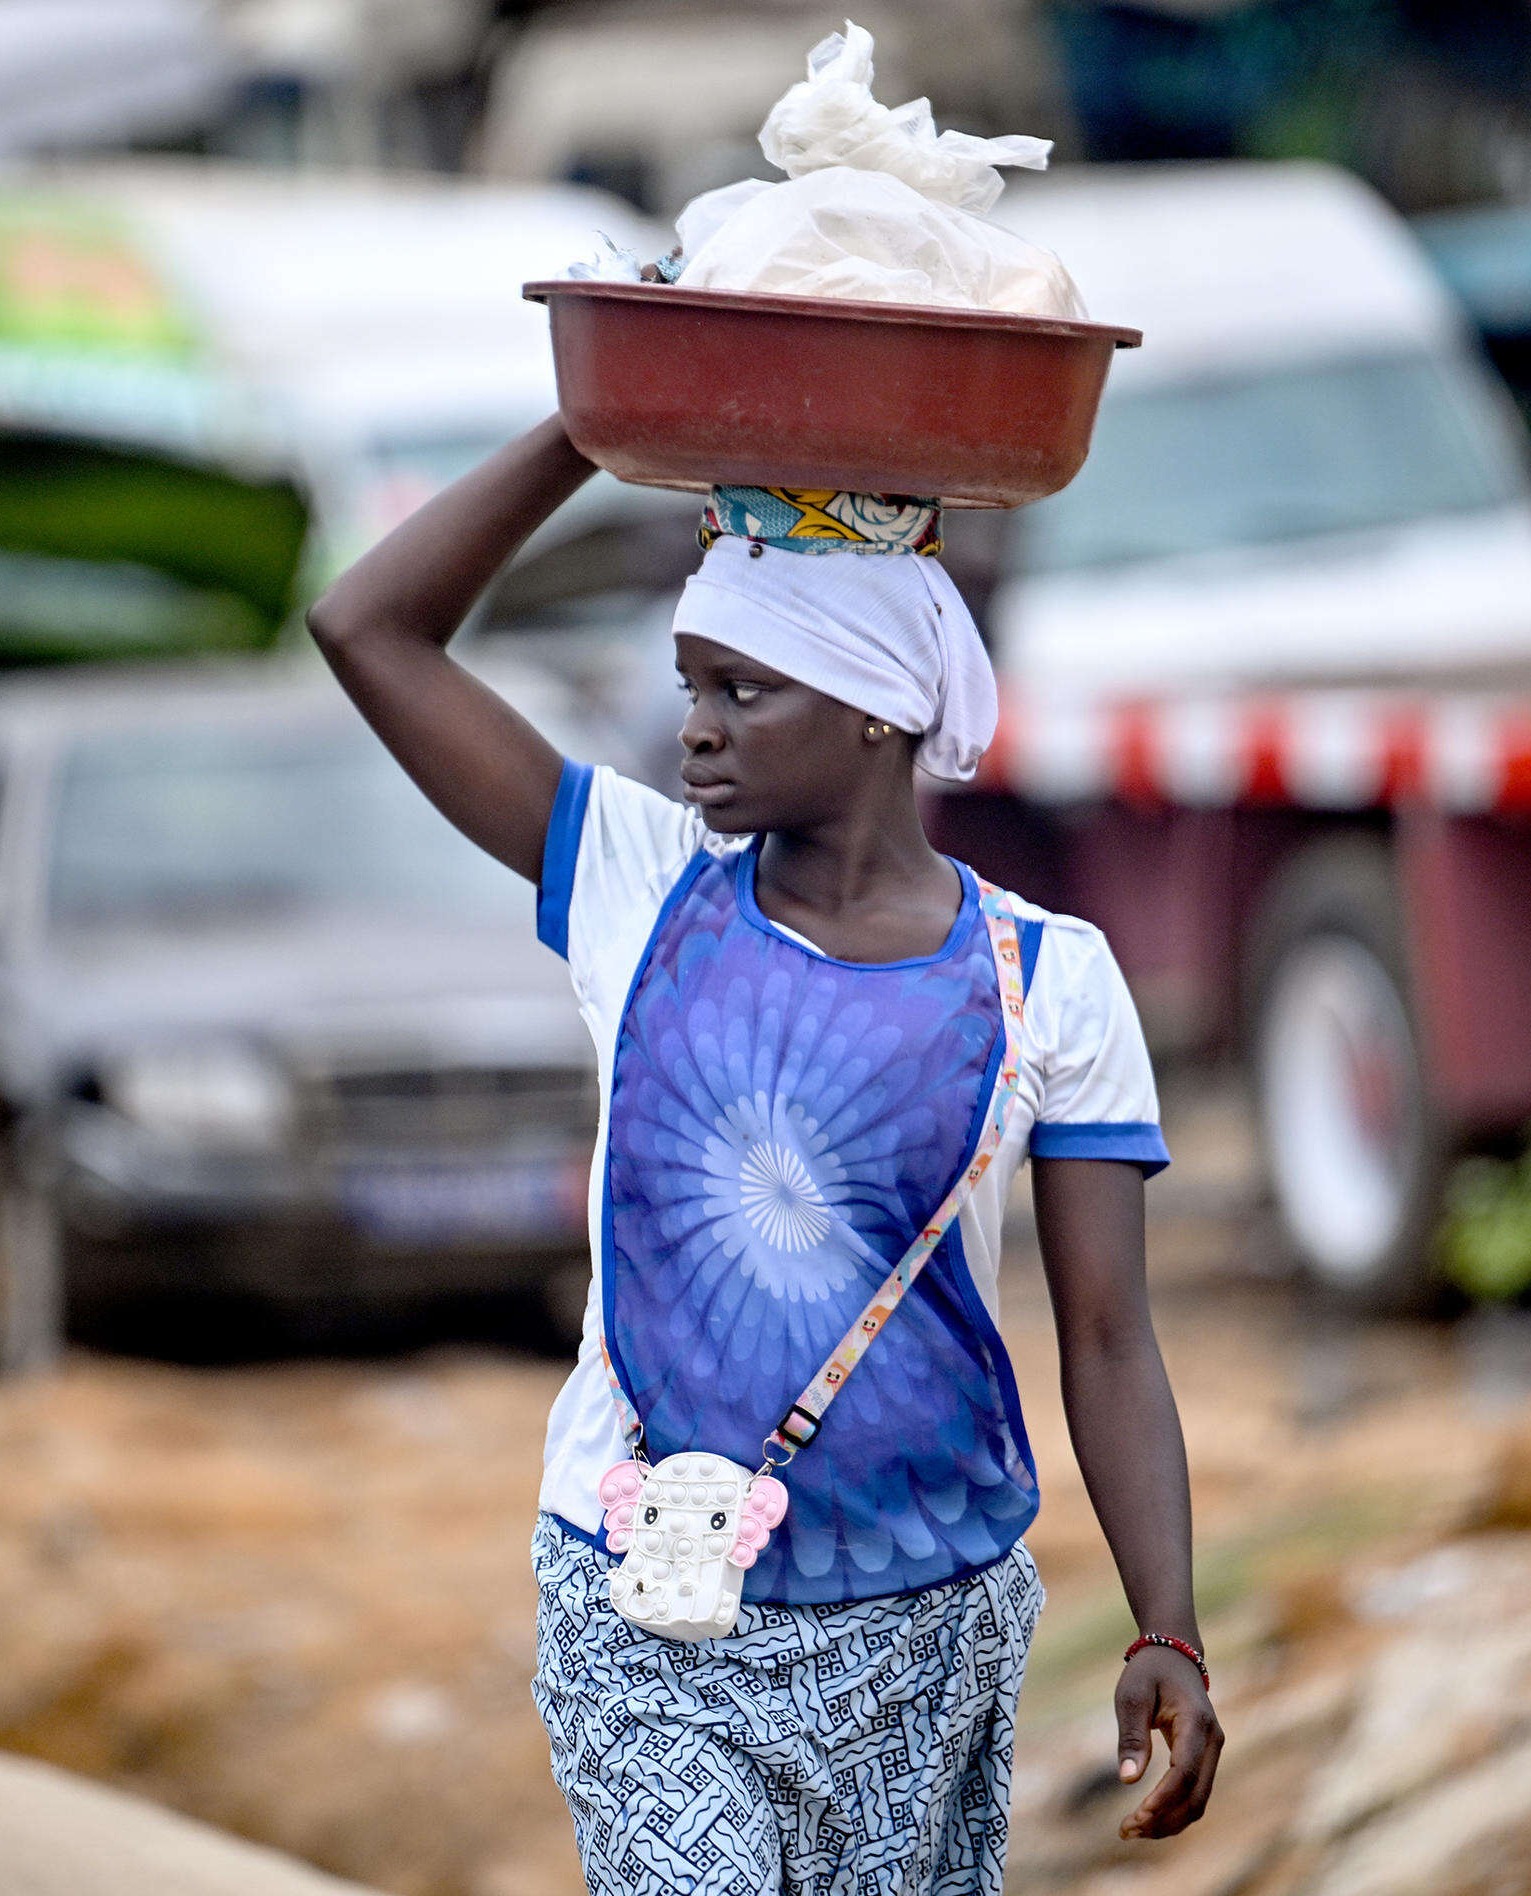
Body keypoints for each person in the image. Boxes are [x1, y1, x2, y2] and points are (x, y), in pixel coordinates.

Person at [308, 417, 1219, 1894]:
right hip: (645, 1606)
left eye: (744, 691)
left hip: (926, 1624)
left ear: (873, 710)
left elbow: (1110, 1336)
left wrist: (1166, 1626)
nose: (696, 732)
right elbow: (366, 628)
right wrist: (587, 431)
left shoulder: (1046, 980)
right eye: (690, 689)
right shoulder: (637, 882)